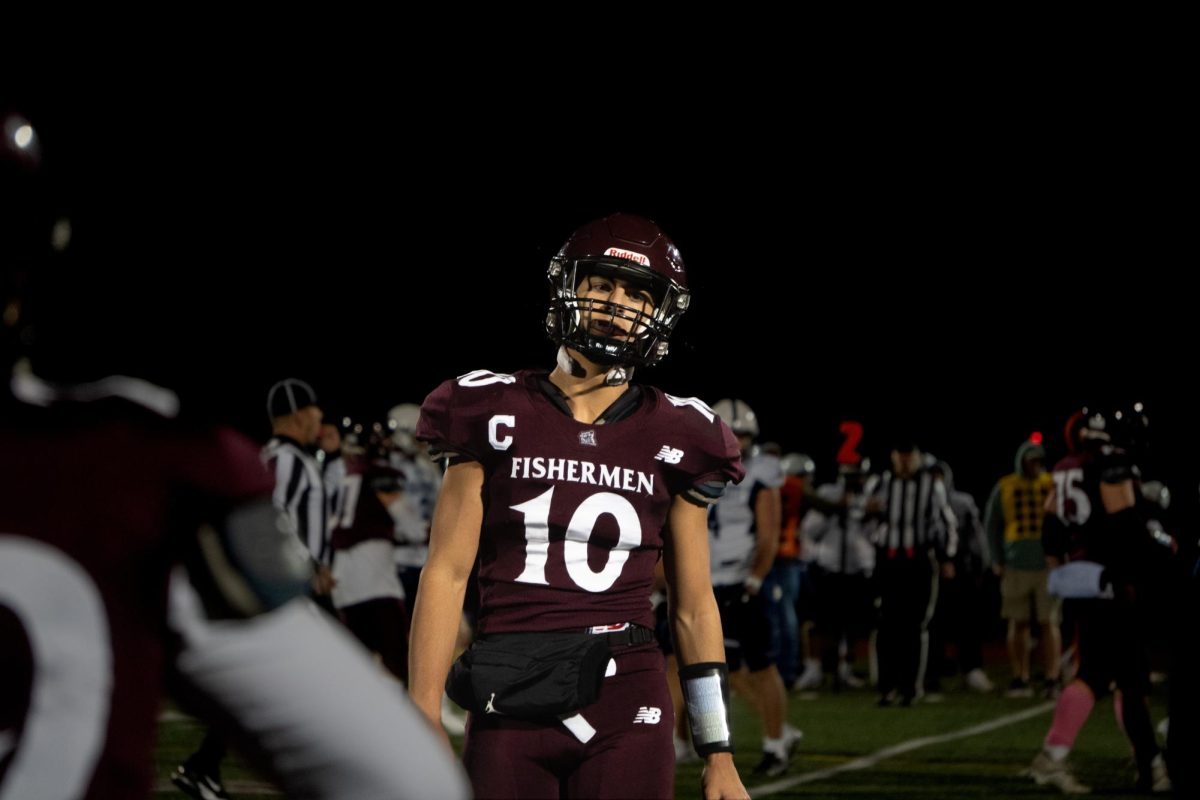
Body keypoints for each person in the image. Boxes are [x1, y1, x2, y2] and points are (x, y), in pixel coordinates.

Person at [0, 105, 468, 800]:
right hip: (331, 577)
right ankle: (204, 767)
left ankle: (202, 766)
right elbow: (405, 781)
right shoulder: (134, 463)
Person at [408, 212, 751, 799]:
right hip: (509, 686)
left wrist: (718, 751)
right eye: (602, 284)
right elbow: (447, 571)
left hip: (627, 691)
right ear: (569, 288)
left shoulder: (685, 432)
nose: (618, 303)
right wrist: (420, 712)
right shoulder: (490, 409)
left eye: (638, 294)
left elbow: (694, 607)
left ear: (659, 313)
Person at [1027, 408, 1168, 794]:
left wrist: (1063, 569)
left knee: (1113, 675)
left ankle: (1147, 761)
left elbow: (1051, 524)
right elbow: (1125, 524)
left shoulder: (1065, 466)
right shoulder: (1110, 462)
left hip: (1083, 580)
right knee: (1118, 678)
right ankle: (1147, 764)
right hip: (1112, 581)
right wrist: (1158, 541)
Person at [709, 401, 803, 776]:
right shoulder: (699, 466)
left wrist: (755, 578)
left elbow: (768, 533)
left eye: (744, 434)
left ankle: (775, 744)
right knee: (727, 671)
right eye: (733, 432)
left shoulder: (761, 471)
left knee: (762, 666)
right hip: (711, 580)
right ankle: (783, 731)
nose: (739, 440)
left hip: (744, 581)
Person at [984, 437, 1061, 698]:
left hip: (1047, 565)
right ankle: (1020, 676)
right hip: (1016, 564)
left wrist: (1061, 555)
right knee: (1018, 623)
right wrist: (996, 558)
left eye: (1039, 460)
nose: (1036, 465)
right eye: (1031, 460)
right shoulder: (1005, 486)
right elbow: (992, 524)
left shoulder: (1052, 484)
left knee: (1049, 622)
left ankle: (1052, 677)